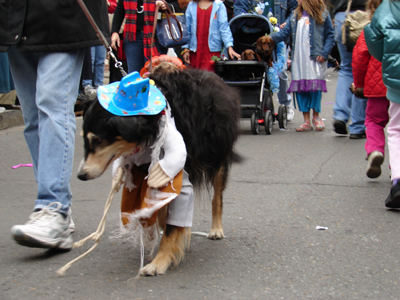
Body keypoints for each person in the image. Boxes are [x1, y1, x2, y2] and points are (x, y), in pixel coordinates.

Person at [1, 0, 110, 249]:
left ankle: (53, 206)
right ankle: (54, 211)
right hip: (17, 17)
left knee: (52, 105)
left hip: (65, 16)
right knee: (33, 117)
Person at [269, 0, 335, 131]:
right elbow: (284, 33)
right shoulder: (295, 15)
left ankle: (316, 117)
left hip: (315, 57)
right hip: (299, 58)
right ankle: (306, 120)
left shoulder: (323, 14)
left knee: (314, 86)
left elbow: (330, 35)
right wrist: (268, 38)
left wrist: (325, 52)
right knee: (301, 88)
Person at [234, 0, 298, 121]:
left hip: (276, 35)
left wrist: (287, 23)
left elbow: (294, 10)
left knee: (280, 72)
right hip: (250, 36)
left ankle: (286, 103)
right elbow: (239, 9)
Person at [364, 0, 400, 207]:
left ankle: (398, 181)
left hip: (396, 75)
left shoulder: (387, 6)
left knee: (396, 129)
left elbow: (374, 42)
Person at [350, 0, 388, 179]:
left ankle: (374, 150)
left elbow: (360, 58)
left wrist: (359, 85)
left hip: (377, 83)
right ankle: (396, 168)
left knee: (373, 120)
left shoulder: (372, 28)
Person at [110, 0, 185, 73]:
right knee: (134, 76)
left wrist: (166, 6)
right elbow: (120, 8)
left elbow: (176, 5)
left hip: (156, 39)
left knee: (155, 75)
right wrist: (115, 31)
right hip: (132, 37)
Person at [331, 0, 368, 139]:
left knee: (346, 68)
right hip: (364, 16)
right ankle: (358, 126)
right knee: (363, 70)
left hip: (343, 17)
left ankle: (340, 115)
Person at [182, 0, 241, 71]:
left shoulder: (219, 5)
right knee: (195, 78)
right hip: (195, 51)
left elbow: (224, 27)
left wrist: (229, 46)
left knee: (210, 78)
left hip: (213, 51)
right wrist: (185, 49)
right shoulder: (191, 5)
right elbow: (186, 29)